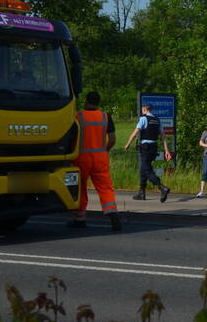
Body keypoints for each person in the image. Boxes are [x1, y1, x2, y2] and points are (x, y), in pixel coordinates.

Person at [68, 91, 121, 231]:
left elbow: (70, 137)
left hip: (82, 158)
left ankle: (80, 219)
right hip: (100, 158)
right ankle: (112, 213)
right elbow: (113, 139)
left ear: (86, 101)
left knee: (81, 188)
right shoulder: (105, 117)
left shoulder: (78, 117)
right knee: (105, 187)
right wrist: (105, 149)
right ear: (98, 102)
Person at [123, 103, 172, 202]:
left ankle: (162, 187)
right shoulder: (157, 120)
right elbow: (163, 136)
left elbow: (135, 132)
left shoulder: (143, 119)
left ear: (144, 109)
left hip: (145, 148)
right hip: (154, 148)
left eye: (142, 110)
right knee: (143, 169)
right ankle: (142, 193)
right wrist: (167, 151)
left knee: (147, 170)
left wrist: (128, 143)